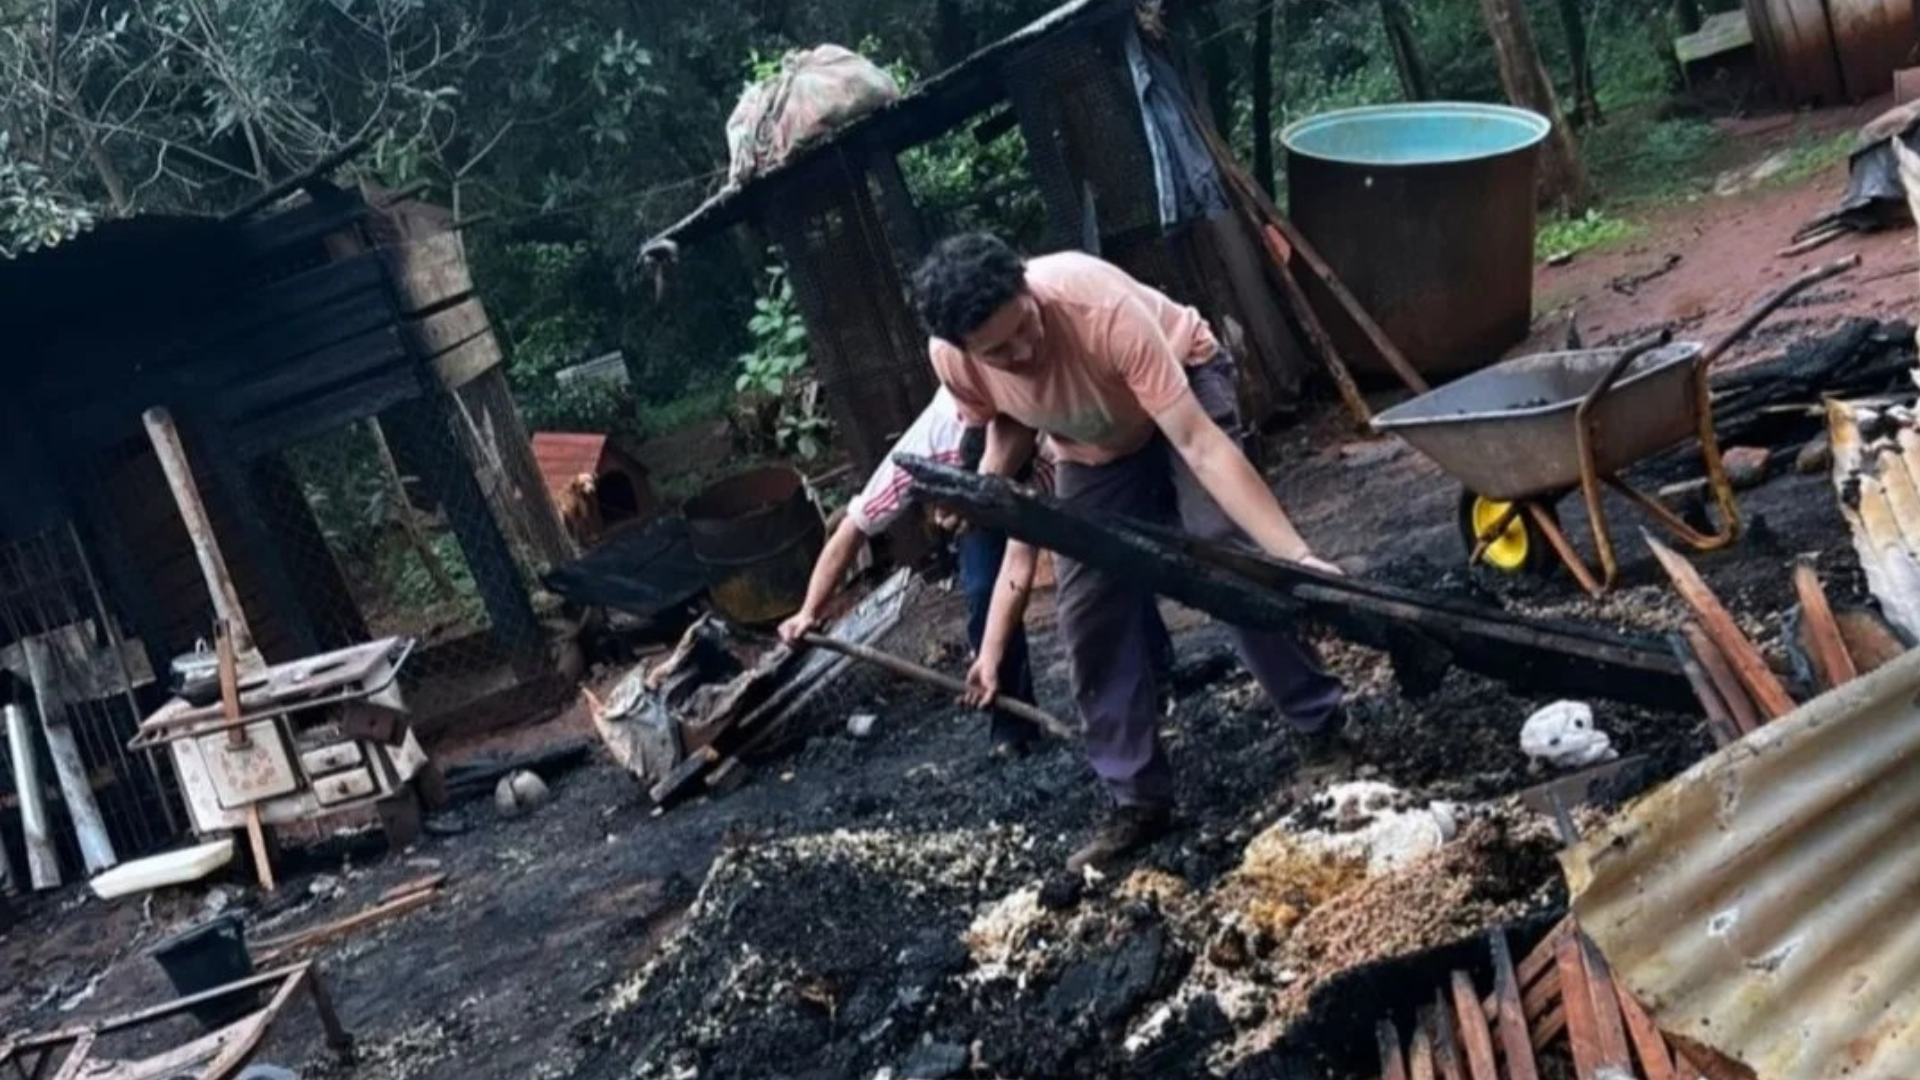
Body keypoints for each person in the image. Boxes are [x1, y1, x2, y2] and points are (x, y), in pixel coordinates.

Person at [912, 232, 1347, 872]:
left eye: (1025, 327)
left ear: (1028, 288)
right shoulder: (954, 360)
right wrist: (987, 493)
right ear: (964, 349)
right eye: (1000, 351)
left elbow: (1200, 444)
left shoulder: (1099, 309)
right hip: (1090, 447)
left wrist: (1297, 556)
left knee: (1221, 550)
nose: (1024, 352)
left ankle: (1322, 728)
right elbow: (1006, 423)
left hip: (1183, 386)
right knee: (1088, 607)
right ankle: (1137, 798)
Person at [778, 387, 1172, 756]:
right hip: (976, 489)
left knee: (1105, 571)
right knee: (983, 588)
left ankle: (1155, 677)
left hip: (1041, 473)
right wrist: (809, 611)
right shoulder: (929, 445)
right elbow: (854, 527)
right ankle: (1012, 725)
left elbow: (1021, 559)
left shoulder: (1052, 446)